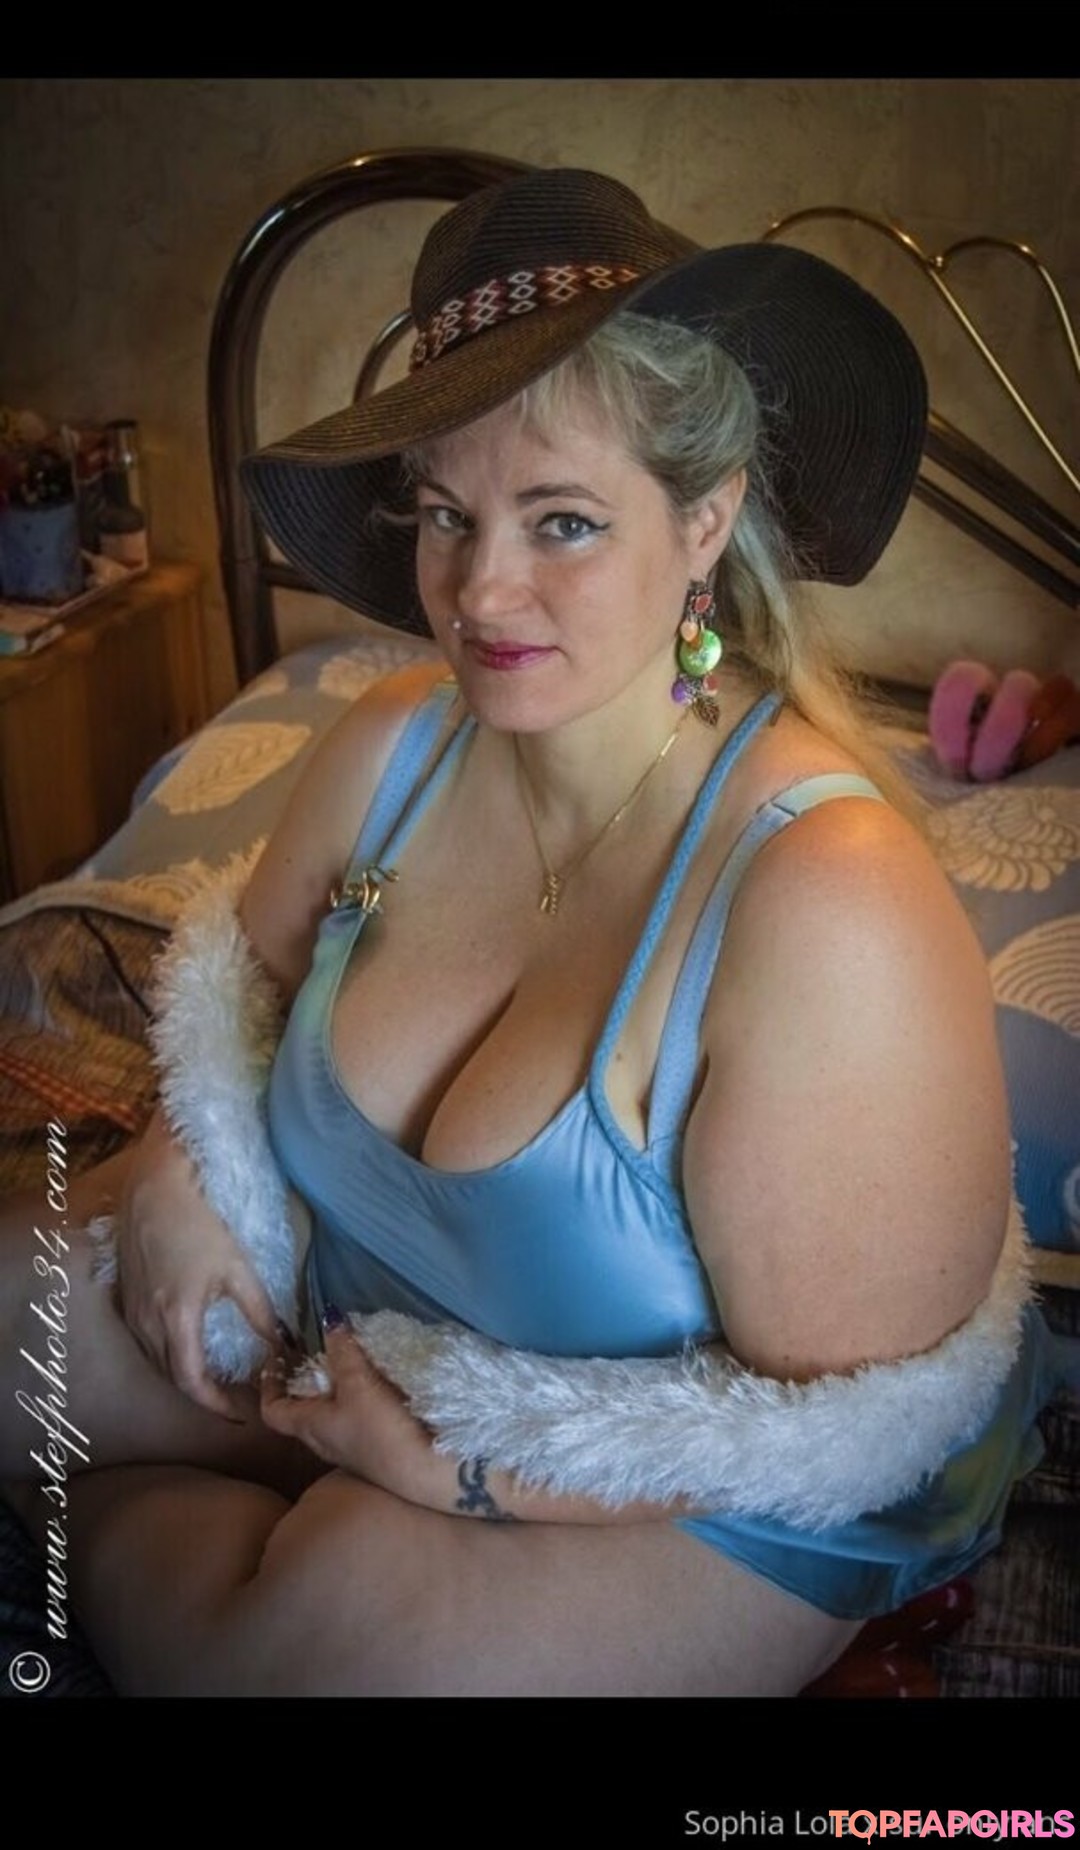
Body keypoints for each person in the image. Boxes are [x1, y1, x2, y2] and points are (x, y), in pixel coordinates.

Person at [0, 167, 1054, 1697]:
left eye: (562, 520)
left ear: (706, 517)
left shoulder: (826, 904)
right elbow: (231, 1004)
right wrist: (174, 1164)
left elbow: (828, 1436)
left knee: (321, 1649)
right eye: (447, 513)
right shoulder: (391, 745)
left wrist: (471, 1472)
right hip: (342, 1328)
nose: (480, 592)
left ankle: (124, 1533)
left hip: (682, 1491)